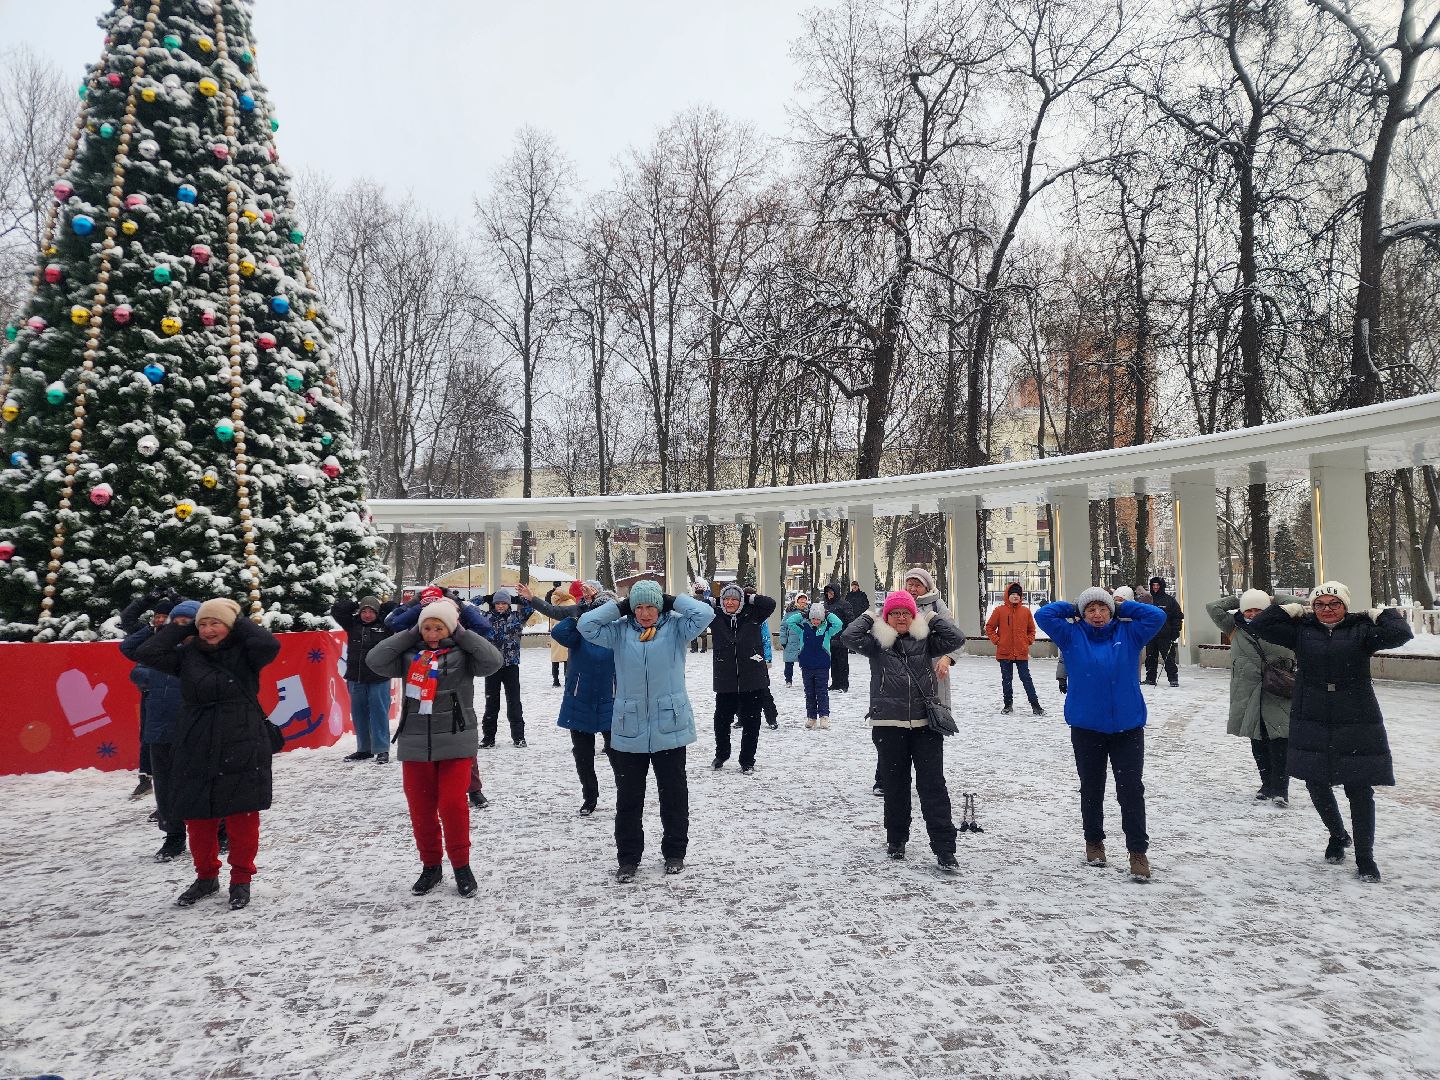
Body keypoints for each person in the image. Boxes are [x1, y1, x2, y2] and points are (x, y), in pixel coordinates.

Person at [1249, 582, 1412, 882]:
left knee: (1359, 787)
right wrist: (1288, 609)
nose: (1327, 609)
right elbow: (1260, 624)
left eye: (1334, 603)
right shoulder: (1302, 630)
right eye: (1320, 604)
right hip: (1312, 713)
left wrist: (1382, 614)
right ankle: (1337, 835)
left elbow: (1401, 633)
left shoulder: (1361, 631)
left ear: (1345, 606)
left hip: (1356, 715)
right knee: (1316, 781)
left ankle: (1365, 857)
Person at [134, 598, 282, 910]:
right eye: (203, 624)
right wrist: (183, 627)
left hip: (241, 738)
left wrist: (237, 619)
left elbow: (269, 644)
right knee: (198, 816)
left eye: (215, 623)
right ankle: (205, 877)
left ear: (229, 625)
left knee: (242, 816)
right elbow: (146, 652)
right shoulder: (186, 655)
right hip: (195, 741)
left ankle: (241, 879)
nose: (208, 629)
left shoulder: (247, 653)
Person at [365, 600, 504, 897]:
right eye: (427, 627)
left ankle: (462, 866)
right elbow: (375, 660)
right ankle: (431, 866)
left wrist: (461, 632)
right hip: (415, 742)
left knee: (452, 805)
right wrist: (410, 633)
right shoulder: (408, 655)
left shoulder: (463, 654)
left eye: (439, 627)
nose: (432, 634)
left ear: (450, 628)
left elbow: (493, 661)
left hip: (456, 739)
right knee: (421, 809)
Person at [578, 580, 714, 882]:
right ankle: (628, 858)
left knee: (674, 795)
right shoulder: (619, 631)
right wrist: (619, 608)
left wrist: (672, 600)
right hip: (631, 726)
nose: (644, 613)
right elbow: (586, 625)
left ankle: (675, 852)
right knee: (628, 799)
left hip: (669, 724)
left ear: (660, 607)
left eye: (651, 606)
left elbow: (705, 614)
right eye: (638, 607)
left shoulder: (677, 628)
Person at [1035, 587, 1165, 882]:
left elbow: (1157, 616)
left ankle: (1137, 851)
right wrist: (1074, 606)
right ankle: (1094, 841)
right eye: (1091, 609)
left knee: (1131, 790)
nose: (1097, 615)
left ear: (1111, 612)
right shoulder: (1071, 635)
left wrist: (1123, 607)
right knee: (1091, 788)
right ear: (1082, 614)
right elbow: (1044, 615)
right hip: (1087, 727)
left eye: (1103, 609)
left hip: (1127, 727)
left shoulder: (1130, 634)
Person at [842, 590, 966, 871]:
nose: (901, 618)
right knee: (895, 786)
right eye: (895, 613)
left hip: (925, 725)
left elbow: (956, 638)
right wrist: (868, 616)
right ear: (886, 617)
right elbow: (848, 637)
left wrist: (931, 617)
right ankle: (896, 839)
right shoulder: (877, 643)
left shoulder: (926, 640)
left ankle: (945, 849)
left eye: (906, 613)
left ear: (913, 616)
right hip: (889, 725)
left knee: (933, 787)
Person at [386, 587, 494, 807]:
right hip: (420, 672)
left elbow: (484, 627)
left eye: (437, 600)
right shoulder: (418, 616)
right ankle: (431, 792)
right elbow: (392, 623)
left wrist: (459, 605)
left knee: (459, 741)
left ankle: (473, 789)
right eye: (429, 601)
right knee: (425, 742)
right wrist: (416, 604)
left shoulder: (454, 613)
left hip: (452, 676)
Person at [1206, 587, 1304, 805]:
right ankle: (1266, 784)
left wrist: (1274, 599)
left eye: (1258, 609)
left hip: (1278, 689)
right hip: (1248, 692)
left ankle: (1280, 789)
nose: (1252, 614)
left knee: (1280, 740)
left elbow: (1303, 606)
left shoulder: (1285, 624)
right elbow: (1213, 607)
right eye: (1248, 610)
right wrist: (1239, 600)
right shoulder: (1234, 627)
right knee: (1257, 740)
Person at [119, 594, 197, 862]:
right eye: (176, 621)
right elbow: (129, 650)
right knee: (165, 789)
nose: (179, 626)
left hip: (195, 730)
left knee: (204, 783)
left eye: (187, 621)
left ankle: (219, 832)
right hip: (160, 728)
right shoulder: (159, 651)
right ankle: (173, 836)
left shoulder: (205, 651)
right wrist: (155, 629)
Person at [706, 583, 778, 773]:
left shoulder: (753, 614)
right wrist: (713, 601)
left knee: (752, 722)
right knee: (721, 721)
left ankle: (747, 760)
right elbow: (693, 607)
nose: (729, 603)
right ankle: (722, 754)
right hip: (725, 678)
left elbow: (770, 603)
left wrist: (748, 597)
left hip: (752, 678)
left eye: (734, 599)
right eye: (726, 599)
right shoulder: (715, 616)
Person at [550, 608, 616, 816]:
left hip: (611, 699)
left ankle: (625, 794)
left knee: (617, 753)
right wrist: (578, 618)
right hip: (580, 699)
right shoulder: (579, 632)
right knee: (583, 754)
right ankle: (590, 796)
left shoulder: (616, 633)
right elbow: (558, 632)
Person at [331, 594, 398, 763]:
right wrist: (356, 603)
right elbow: (337, 610)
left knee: (379, 713)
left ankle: (382, 750)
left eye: (371, 611)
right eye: (364, 611)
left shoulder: (386, 625)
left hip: (379, 678)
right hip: (356, 677)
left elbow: (397, 610)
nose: (367, 615)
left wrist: (383, 607)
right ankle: (364, 749)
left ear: (377, 613)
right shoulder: (352, 624)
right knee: (359, 715)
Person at [470, 587, 535, 748]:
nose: (500, 606)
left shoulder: (517, 617)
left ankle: (519, 737)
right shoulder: (485, 617)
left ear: (508, 604)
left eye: (504, 603)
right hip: (492, 666)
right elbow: (468, 608)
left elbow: (531, 606)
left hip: (511, 666)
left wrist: (516, 599)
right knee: (491, 703)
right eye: (497, 603)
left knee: (514, 702)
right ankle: (488, 738)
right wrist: (485, 598)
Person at [985, 582, 1043, 716]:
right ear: (1008, 596)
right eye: (1013, 594)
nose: (1015, 596)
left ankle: (1036, 706)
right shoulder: (999, 611)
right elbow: (990, 627)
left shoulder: (1025, 611)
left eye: (1018, 594)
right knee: (1006, 680)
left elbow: (1031, 629)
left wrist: (1028, 640)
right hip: (1004, 652)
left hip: (1021, 652)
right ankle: (1008, 705)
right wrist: (997, 641)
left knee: (1026, 679)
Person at [797, 602, 843, 729]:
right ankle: (811, 717)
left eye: (818, 619)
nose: (816, 621)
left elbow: (839, 624)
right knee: (809, 693)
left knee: (822, 692)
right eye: (813, 618)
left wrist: (828, 614)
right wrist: (803, 615)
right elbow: (790, 622)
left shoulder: (827, 630)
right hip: (806, 665)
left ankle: (824, 716)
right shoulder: (803, 628)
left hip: (822, 666)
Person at [745, 585, 781, 729]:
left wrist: (767, 658)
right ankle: (742, 718)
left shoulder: (760, 616)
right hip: (742, 657)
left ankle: (771, 718)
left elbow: (766, 639)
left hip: (757, 657)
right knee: (741, 690)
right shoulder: (739, 615)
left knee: (763, 689)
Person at [1144, 576, 1184, 687]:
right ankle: (1150, 678)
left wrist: (1176, 630)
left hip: (1165, 635)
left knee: (1169, 658)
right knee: (1150, 658)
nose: (1155, 587)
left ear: (1161, 586)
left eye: (1157, 585)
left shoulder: (1169, 600)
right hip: (1151, 635)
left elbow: (1177, 616)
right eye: (1153, 585)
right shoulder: (1147, 600)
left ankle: (1173, 679)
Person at [821, 583, 853, 692]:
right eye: (827, 593)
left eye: (831, 592)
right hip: (830, 637)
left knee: (842, 663)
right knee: (833, 662)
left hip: (841, 638)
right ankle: (835, 683)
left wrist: (846, 634)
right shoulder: (826, 605)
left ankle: (843, 684)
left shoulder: (844, 604)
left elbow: (850, 621)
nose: (829, 595)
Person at [778, 591, 810, 687]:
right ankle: (788, 680)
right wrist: (783, 641)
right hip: (791, 641)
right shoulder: (789, 613)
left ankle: (807, 680)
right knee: (789, 663)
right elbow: (783, 627)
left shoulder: (809, 612)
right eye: (801, 599)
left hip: (804, 641)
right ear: (797, 600)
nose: (803, 601)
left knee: (805, 663)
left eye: (805, 599)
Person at [689, 580, 712, 654]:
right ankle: (704, 649)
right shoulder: (706, 600)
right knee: (704, 634)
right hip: (703, 618)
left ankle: (694, 648)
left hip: (694, 618)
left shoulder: (691, 600)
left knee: (693, 634)